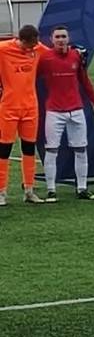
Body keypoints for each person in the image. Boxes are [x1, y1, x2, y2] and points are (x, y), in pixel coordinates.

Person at [39, 25, 94, 201]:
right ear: (51, 40)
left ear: (68, 38)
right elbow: (31, 78)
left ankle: (82, 188)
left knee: (81, 149)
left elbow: (85, 81)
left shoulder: (76, 56)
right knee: (51, 150)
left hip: (76, 110)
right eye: (57, 37)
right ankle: (51, 190)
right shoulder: (45, 58)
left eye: (63, 36)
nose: (61, 40)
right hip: (54, 111)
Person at [0, 25, 48, 206]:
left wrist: (74, 52)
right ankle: (1, 192)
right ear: (22, 40)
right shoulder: (4, 49)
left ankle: (29, 190)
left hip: (30, 108)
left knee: (29, 149)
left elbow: (52, 55)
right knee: (4, 150)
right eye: (31, 45)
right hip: (9, 108)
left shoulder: (37, 49)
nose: (34, 48)